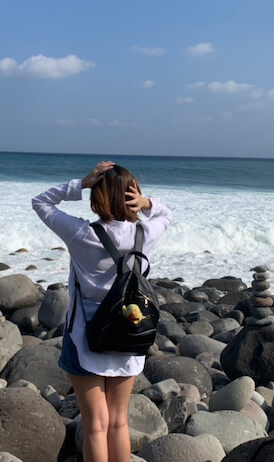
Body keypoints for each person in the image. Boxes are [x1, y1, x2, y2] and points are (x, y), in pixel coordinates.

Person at [32, 161, 172, 462]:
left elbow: (41, 201)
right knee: (119, 421)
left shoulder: (82, 233)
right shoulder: (145, 234)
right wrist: (148, 203)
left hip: (85, 337)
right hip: (130, 332)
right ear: (131, 196)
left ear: (98, 197)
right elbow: (166, 214)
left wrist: (80, 183)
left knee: (96, 425)